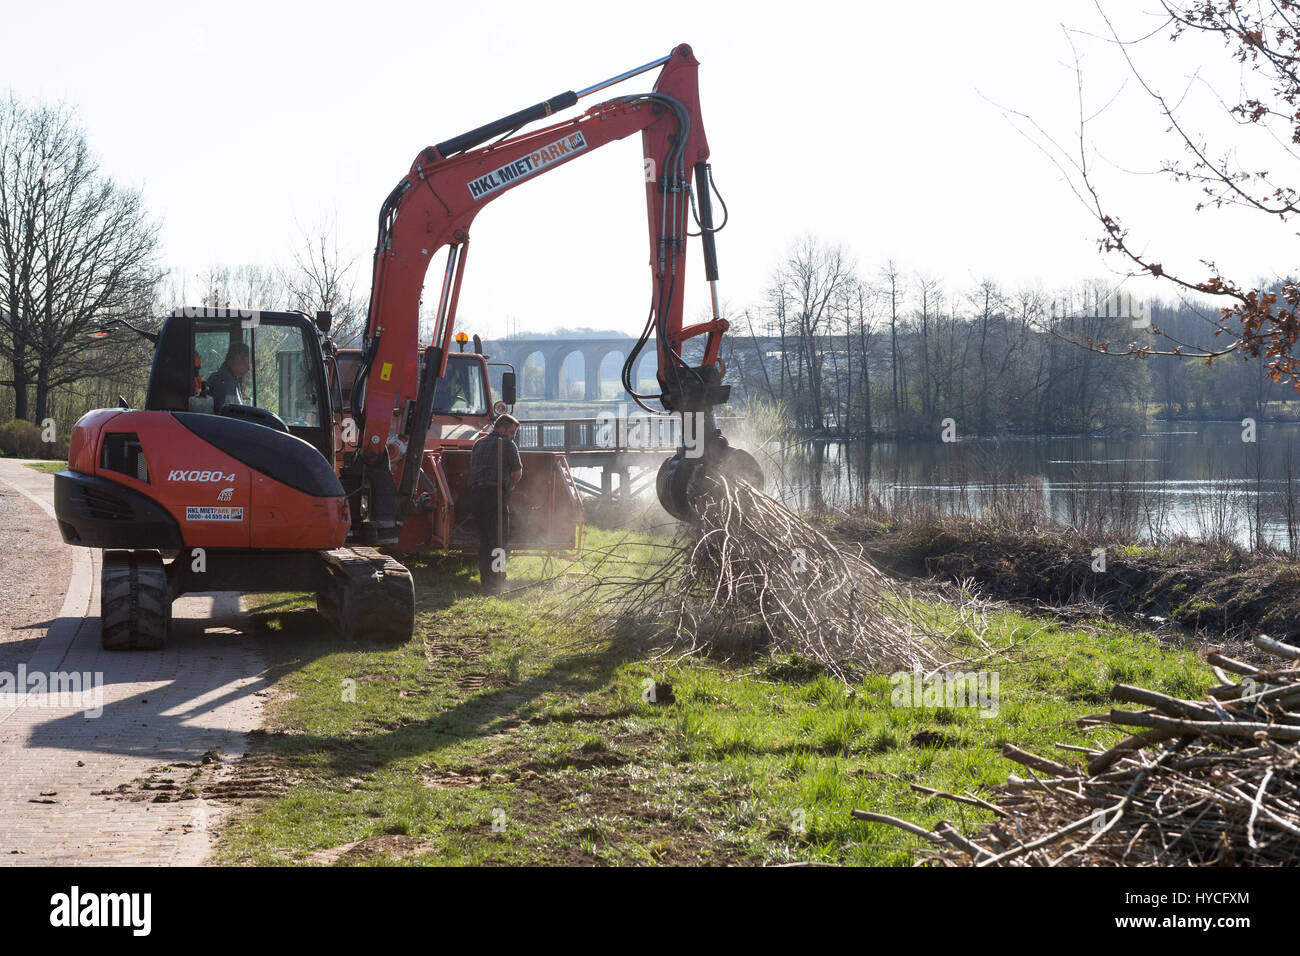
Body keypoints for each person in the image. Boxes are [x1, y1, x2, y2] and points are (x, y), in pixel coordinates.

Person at [469, 414, 523, 592]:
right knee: (499, 539)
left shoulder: (478, 444)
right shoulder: (507, 444)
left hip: (476, 494)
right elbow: (517, 473)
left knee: (484, 539)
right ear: (502, 428)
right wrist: (509, 489)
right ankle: (498, 581)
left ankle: (485, 580)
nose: (513, 436)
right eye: (512, 432)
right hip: (495, 493)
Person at [207, 342, 250, 413]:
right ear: (238, 358)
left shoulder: (231, 379)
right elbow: (229, 416)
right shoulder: (225, 381)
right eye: (248, 362)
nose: (249, 368)